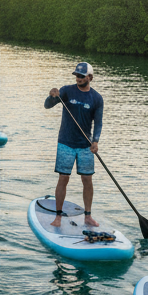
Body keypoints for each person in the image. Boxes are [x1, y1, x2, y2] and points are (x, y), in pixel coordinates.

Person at [44, 62, 104, 228]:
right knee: (63, 178)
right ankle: (58, 216)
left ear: (90, 77)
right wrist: (52, 96)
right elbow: (47, 105)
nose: (78, 78)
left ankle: (88, 216)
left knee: (87, 179)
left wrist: (96, 140)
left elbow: (98, 123)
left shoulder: (97, 98)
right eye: (76, 75)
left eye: (81, 76)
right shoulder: (66, 91)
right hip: (66, 142)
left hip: (85, 145)